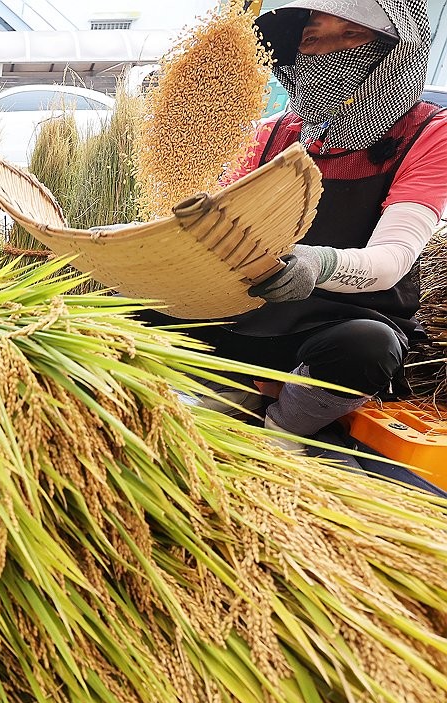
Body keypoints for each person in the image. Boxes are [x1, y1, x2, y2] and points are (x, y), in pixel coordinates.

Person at [167, 0, 447, 448]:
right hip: (253, 315)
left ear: (399, 48)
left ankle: (285, 425)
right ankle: (232, 392)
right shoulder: (272, 134)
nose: (327, 54)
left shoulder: (428, 133)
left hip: (343, 326)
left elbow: (393, 258)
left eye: (351, 35)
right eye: (312, 39)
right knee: (133, 299)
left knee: (368, 348)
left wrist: (316, 264)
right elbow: (219, 228)